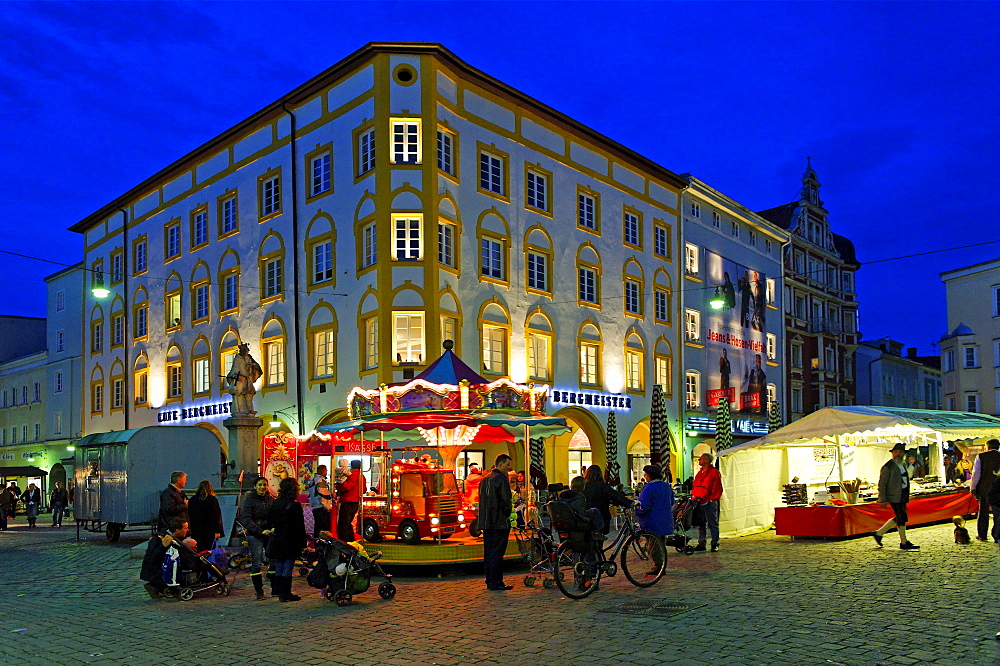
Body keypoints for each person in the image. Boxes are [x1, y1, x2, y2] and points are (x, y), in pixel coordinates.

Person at [264, 477, 307, 602]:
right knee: (288, 566)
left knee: (279, 566)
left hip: (278, 538)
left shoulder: (275, 503)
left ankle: (279, 591)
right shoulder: (295, 505)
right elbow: (299, 526)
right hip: (291, 539)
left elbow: (270, 521)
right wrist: (303, 544)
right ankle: (286, 593)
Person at [872, 443, 919, 550]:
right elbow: (882, 483)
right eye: (896, 452)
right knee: (901, 517)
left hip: (902, 494)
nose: (898, 454)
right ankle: (903, 542)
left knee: (901, 516)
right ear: (892, 453)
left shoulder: (902, 464)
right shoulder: (888, 466)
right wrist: (882, 499)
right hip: (894, 496)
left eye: (900, 452)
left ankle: (879, 533)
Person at [479, 453, 514, 591]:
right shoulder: (501, 478)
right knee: (498, 553)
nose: (509, 468)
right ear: (500, 464)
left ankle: (490, 580)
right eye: (507, 465)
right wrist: (506, 515)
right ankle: (497, 582)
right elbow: (506, 500)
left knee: (489, 552)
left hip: (486, 522)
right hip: (499, 522)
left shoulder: (485, 479)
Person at [635, 464, 674, 574]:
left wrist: (637, 509)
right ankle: (663, 566)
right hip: (665, 520)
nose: (645, 477)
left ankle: (658, 567)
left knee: (654, 546)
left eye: (646, 475)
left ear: (649, 475)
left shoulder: (649, 488)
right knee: (661, 544)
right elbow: (672, 501)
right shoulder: (666, 486)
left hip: (652, 521)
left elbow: (644, 505)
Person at [239, 476, 273, 601]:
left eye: (264, 484)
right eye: (260, 485)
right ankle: (259, 591)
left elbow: (273, 515)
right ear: (255, 487)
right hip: (255, 534)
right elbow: (245, 518)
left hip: (269, 533)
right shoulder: (250, 500)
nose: (262, 487)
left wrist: (273, 527)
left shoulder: (270, 499)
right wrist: (259, 530)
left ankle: (275, 589)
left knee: (273, 560)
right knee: (256, 562)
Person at [140, 517, 190, 599]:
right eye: (185, 528)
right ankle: (155, 586)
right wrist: (163, 546)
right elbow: (154, 557)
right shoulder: (162, 539)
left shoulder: (166, 536)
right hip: (154, 570)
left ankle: (158, 587)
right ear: (177, 530)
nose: (187, 530)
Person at [582, 464, 631, 536]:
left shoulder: (583, 486)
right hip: (601, 517)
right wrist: (629, 503)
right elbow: (615, 496)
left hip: (585, 517)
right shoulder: (603, 486)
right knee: (599, 537)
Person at [692, 453, 723, 552]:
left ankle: (714, 543)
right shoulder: (699, 473)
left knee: (712, 522)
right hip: (699, 500)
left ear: (706, 460)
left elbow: (717, 486)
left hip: (709, 500)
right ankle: (702, 543)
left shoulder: (714, 472)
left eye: (700, 459)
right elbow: (696, 485)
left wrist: (712, 498)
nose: (699, 460)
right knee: (701, 523)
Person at [971, 439, 1000, 542]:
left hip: (984, 488)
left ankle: (982, 534)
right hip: (998, 488)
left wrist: (973, 487)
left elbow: (976, 474)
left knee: (983, 511)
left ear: (987, 446)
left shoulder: (981, 457)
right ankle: (997, 535)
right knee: (998, 512)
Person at [226, 342, 264, 416]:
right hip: (240, 378)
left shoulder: (249, 357)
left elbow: (256, 366)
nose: (246, 352)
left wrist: (253, 366)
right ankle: (239, 410)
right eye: (245, 351)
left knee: (249, 393)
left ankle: (249, 410)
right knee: (238, 393)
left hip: (248, 378)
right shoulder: (237, 358)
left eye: (247, 351)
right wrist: (237, 374)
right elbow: (235, 368)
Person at [187, 480, 224, 552]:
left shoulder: (192, 499)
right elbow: (216, 516)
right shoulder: (212, 500)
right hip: (209, 530)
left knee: (198, 548)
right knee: (209, 550)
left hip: (196, 529)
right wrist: (217, 530)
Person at [336, 460, 364, 542]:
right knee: (348, 524)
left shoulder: (353, 475)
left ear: (351, 466)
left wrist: (338, 486)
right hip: (355, 502)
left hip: (348, 501)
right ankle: (351, 541)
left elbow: (346, 486)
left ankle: (344, 543)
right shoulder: (362, 476)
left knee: (343, 525)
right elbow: (364, 489)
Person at [304, 464, 333, 540]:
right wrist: (327, 507)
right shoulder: (321, 481)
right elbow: (323, 495)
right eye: (326, 470)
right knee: (324, 530)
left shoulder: (313, 480)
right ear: (323, 471)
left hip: (315, 507)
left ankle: (317, 546)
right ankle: (322, 548)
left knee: (317, 528)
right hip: (321, 508)